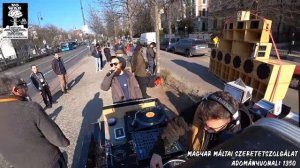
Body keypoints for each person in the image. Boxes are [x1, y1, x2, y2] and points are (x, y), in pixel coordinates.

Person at [150, 91, 252, 168]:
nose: (206, 129)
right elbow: (175, 127)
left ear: (229, 122)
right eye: (203, 123)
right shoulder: (199, 110)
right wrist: (158, 152)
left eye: (212, 128)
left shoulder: (241, 134)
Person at [0, 73, 70, 168]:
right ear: (16, 90)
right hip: (47, 161)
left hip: (19, 163)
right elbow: (55, 136)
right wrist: (65, 142)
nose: (26, 88)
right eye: (23, 85)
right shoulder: (30, 108)